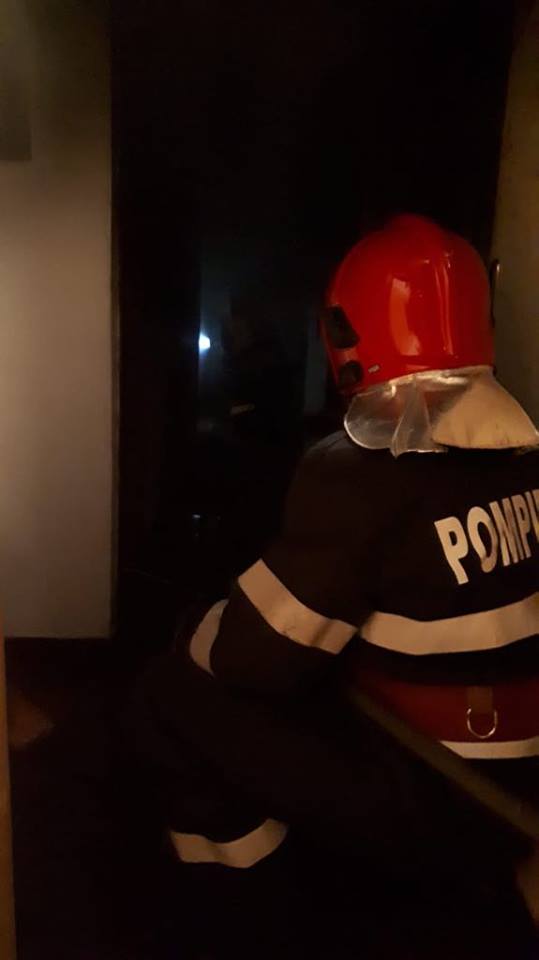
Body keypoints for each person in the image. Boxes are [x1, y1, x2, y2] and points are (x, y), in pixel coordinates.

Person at [126, 215, 539, 959]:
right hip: (518, 797)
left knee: (171, 696)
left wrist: (194, 626)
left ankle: (248, 918)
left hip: (438, 794)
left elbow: (249, 659)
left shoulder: (356, 473)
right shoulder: (527, 463)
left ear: (347, 333)